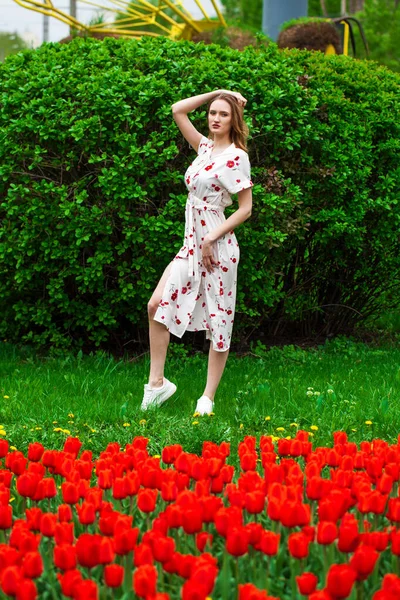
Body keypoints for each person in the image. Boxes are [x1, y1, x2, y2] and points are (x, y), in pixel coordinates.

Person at [142, 89, 253, 415]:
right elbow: (177, 109)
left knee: (219, 322)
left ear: (234, 120)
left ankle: (207, 398)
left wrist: (211, 238)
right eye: (212, 113)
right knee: (156, 304)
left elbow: (245, 208)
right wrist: (219, 93)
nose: (215, 118)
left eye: (223, 113)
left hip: (217, 249)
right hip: (191, 246)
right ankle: (158, 385)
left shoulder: (236, 157)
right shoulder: (204, 148)